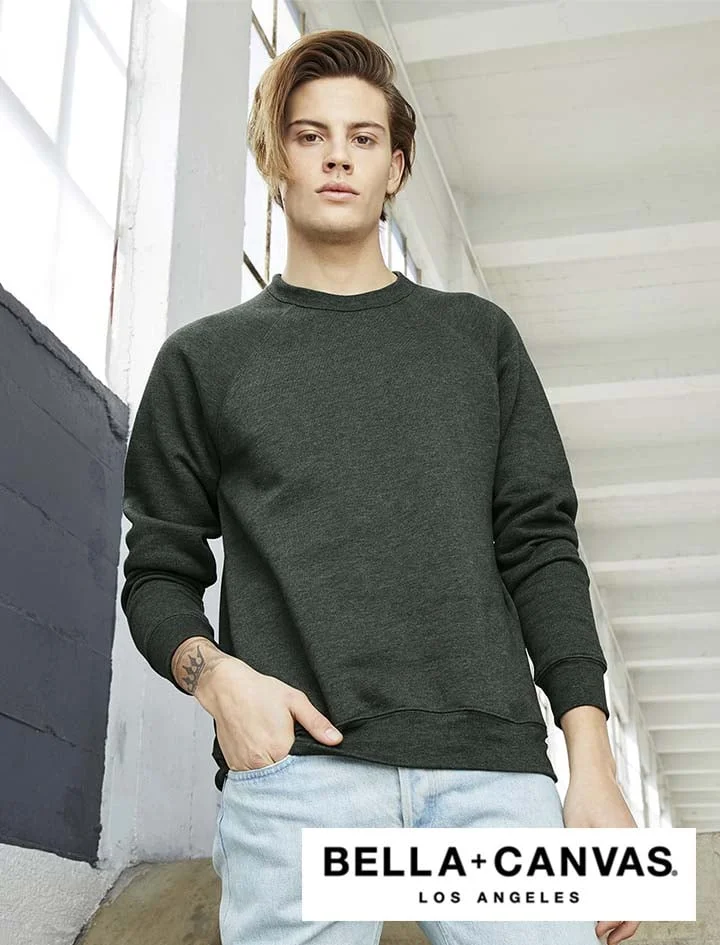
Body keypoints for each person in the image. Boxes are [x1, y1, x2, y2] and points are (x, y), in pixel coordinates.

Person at [120, 27, 640, 945]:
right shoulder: (205, 360)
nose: (337, 157)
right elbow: (158, 571)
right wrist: (219, 681)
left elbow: (540, 548)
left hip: (492, 775)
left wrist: (591, 765)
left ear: (395, 166)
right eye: (310, 135)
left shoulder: (478, 339)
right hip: (297, 778)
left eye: (362, 138)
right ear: (276, 157)